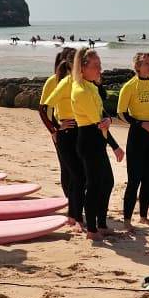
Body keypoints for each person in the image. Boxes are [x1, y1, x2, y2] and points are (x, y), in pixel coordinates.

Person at [72, 47, 124, 241]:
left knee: (107, 182)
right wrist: (115, 145)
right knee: (94, 185)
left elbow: (103, 115)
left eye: (100, 65)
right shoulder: (81, 90)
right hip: (89, 139)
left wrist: (109, 119)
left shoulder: (92, 86)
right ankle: (92, 229)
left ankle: (101, 224)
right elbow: (99, 123)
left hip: (97, 138)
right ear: (83, 68)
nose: (99, 69)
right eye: (95, 66)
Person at [117, 52, 149, 232]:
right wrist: (141, 124)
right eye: (146, 63)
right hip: (137, 136)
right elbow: (121, 112)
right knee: (134, 179)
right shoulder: (129, 86)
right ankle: (127, 219)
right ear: (137, 66)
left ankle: (143, 216)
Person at [39, 47, 85, 233]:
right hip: (63, 131)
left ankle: (76, 205)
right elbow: (44, 108)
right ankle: (72, 207)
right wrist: (55, 128)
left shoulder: (80, 81)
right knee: (68, 170)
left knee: (81, 171)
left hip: (82, 128)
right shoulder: (54, 81)